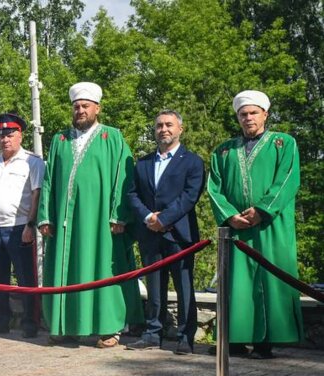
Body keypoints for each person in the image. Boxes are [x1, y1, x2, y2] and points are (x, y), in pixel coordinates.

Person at [37, 82, 142, 347]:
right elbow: (49, 181)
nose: (80, 110)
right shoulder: (60, 140)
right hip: (63, 221)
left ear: (97, 108)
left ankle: (108, 328)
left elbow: (124, 177)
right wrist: (45, 216)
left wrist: (119, 214)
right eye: (76, 107)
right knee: (66, 267)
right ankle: (65, 326)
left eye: (85, 106)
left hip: (99, 222)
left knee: (102, 268)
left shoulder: (112, 137)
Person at [207, 90, 303, 358]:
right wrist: (229, 215)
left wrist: (262, 210)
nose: (248, 118)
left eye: (253, 113)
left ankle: (266, 341)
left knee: (271, 278)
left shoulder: (284, 143)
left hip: (271, 226)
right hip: (236, 229)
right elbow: (214, 187)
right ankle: (235, 340)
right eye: (243, 114)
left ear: (265, 115)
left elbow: (287, 180)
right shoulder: (224, 150)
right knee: (236, 284)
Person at [125, 110, 206, 354]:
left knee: (184, 288)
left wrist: (166, 219)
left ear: (180, 129)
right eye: (159, 125)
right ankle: (152, 334)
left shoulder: (192, 161)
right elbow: (132, 194)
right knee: (154, 288)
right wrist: (150, 217)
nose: (163, 129)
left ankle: (185, 337)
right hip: (150, 233)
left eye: (169, 125)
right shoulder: (144, 162)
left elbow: (190, 196)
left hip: (180, 235)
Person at [0, 113, 45, 338]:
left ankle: (30, 324)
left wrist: (30, 225)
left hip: (20, 226)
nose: (5, 139)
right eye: (2, 135)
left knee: (25, 278)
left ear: (20, 135)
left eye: (10, 134)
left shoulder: (32, 162)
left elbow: (36, 195)